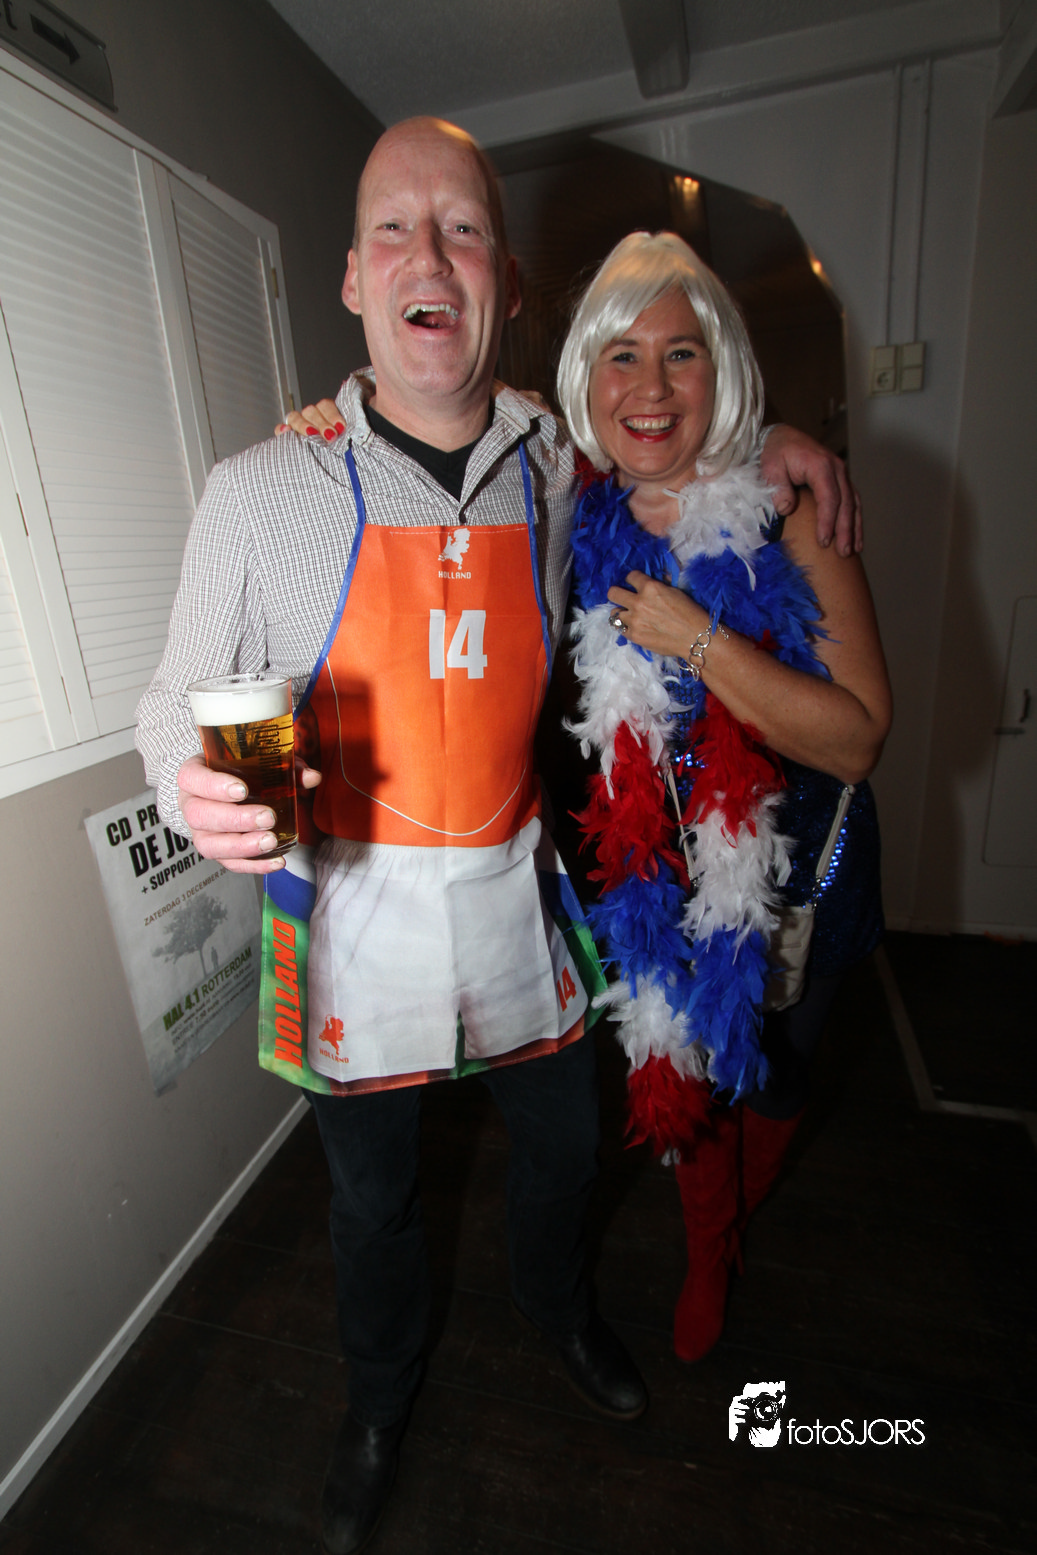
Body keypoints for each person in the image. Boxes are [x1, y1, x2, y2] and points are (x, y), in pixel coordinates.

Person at [137, 118, 862, 1555]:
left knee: (564, 1145)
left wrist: (772, 438)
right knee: (373, 1200)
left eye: (462, 227)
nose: (429, 254)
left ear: (505, 282)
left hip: (517, 885)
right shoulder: (257, 488)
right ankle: (376, 1400)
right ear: (353, 279)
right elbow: (174, 701)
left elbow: (670, 437)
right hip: (351, 908)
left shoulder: (552, 460)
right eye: (393, 229)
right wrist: (184, 782)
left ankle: (557, 1307)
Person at [554, 230, 892, 1365]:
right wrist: (333, 412)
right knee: (685, 1071)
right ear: (587, 377)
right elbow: (457, 413)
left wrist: (697, 639)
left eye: (681, 353)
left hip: (798, 872)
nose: (649, 387)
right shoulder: (568, 510)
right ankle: (710, 1248)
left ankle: (739, 1211)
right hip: (652, 877)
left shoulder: (782, 503)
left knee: (776, 1075)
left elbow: (858, 737)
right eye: (622, 355)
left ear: (722, 370)